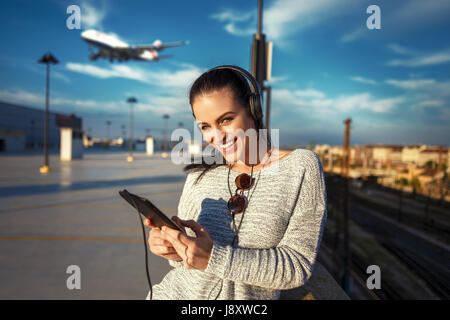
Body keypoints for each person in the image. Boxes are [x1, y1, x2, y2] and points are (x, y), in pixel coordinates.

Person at [144, 66, 327, 300]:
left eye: (226, 119)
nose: (217, 136)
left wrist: (213, 257)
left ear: (253, 111)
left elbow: (297, 266)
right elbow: (182, 265)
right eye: (205, 126)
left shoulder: (301, 166)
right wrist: (174, 250)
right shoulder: (198, 175)